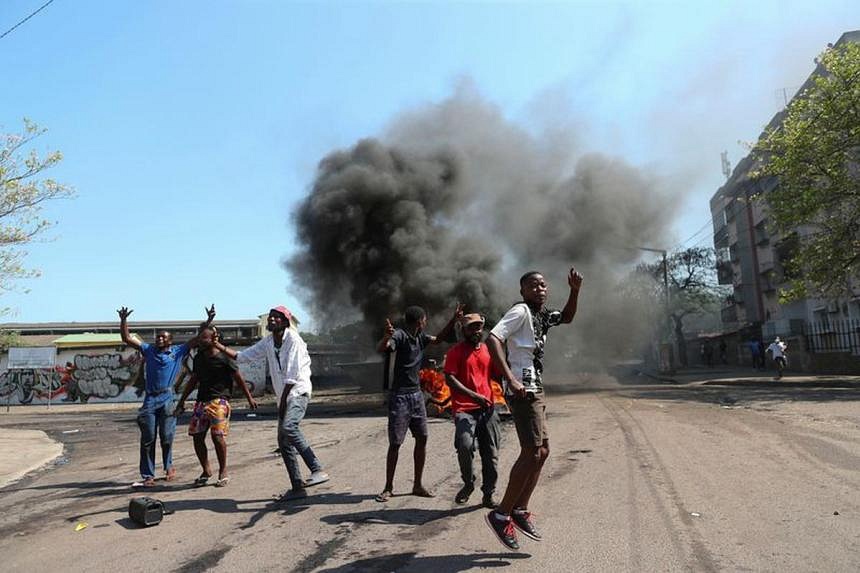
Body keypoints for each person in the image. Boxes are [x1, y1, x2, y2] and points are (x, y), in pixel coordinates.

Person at [484, 268, 583, 551]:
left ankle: (519, 509)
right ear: (523, 291)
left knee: (543, 451)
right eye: (532, 286)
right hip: (522, 389)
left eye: (542, 284)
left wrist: (575, 291)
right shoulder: (520, 312)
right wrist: (510, 378)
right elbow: (493, 338)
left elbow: (566, 317)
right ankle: (501, 514)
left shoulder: (541, 315)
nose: (539, 289)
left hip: (534, 386)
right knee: (531, 452)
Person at [215, 306, 328, 501]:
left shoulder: (294, 340)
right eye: (271, 317)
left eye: (277, 317)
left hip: (297, 392)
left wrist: (282, 403)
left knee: (289, 427)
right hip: (284, 395)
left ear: (285, 322)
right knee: (283, 443)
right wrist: (218, 345)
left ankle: (317, 469)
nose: (272, 320)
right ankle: (297, 487)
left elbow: (292, 377)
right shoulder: (268, 342)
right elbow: (243, 357)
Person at [374, 303, 462, 503]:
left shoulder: (420, 338)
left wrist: (453, 320)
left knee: (422, 438)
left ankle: (418, 485)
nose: (426, 322)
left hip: (416, 396)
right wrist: (386, 336)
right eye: (425, 320)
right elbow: (384, 348)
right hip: (400, 397)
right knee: (395, 443)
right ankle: (388, 487)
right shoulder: (399, 336)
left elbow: (438, 339)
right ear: (420, 321)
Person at [119, 304, 215, 487]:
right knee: (148, 438)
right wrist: (123, 320)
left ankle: (168, 466)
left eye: (163, 337)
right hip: (150, 399)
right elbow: (127, 338)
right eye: (158, 336)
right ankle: (148, 475)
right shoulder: (148, 350)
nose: (159, 339)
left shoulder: (178, 351)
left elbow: (197, 338)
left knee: (166, 436)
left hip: (168, 398)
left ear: (170, 340)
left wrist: (209, 320)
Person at [175, 325, 257, 487]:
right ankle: (206, 470)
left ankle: (223, 471)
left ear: (214, 338)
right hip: (201, 401)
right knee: (197, 436)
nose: (200, 340)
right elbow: (194, 380)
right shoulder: (199, 358)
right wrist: (182, 400)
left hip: (220, 401)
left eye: (203, 338)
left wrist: (249, 398)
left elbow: (238, 378)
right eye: (199, 338)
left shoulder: (225, 357)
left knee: (217, 437)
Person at [443, 313, 501, 509]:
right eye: (471, 328)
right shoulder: (455, 352)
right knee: (465, 446)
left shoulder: (487, 350)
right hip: (464, 410)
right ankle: (469, 483)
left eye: (478, 327)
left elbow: (497, 373)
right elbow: (449, 378)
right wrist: (473, 395)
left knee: (491, 455)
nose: (476, 331)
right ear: (464, 330)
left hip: (488, 409)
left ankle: (488, 494)